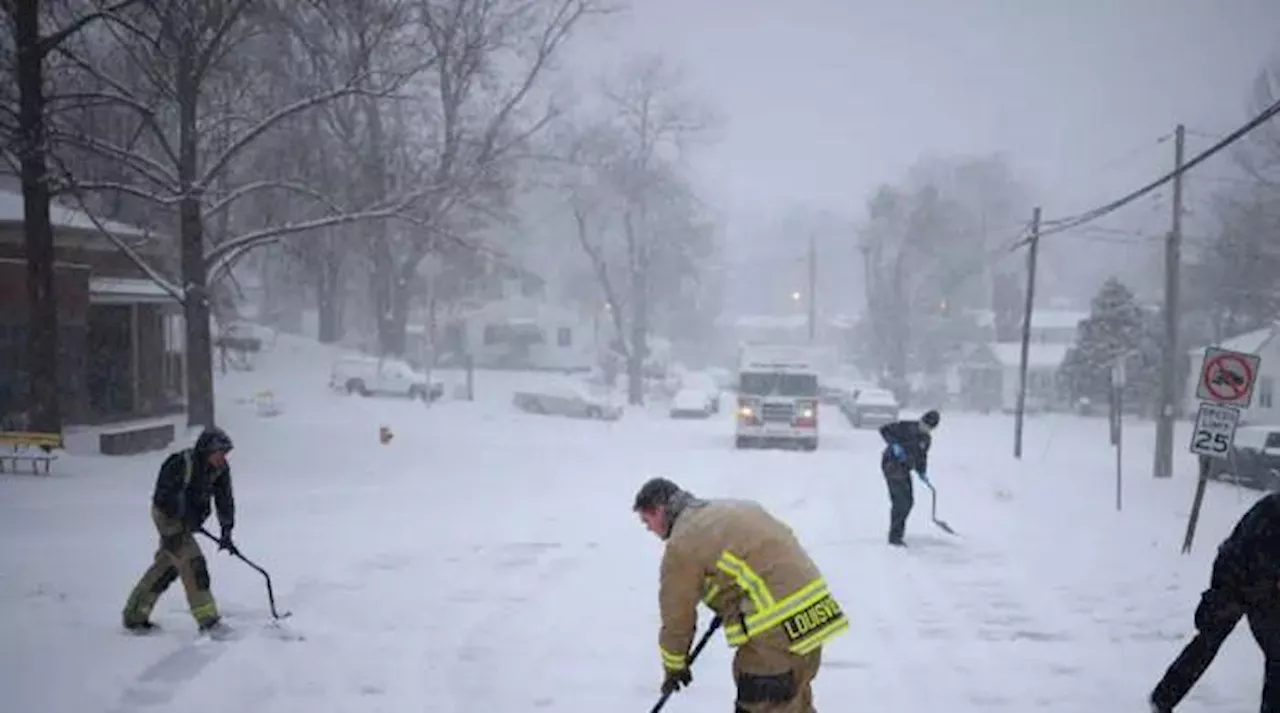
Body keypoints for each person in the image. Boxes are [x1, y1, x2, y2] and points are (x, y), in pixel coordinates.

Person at [633, 477, 848, 713]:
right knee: (793, 703)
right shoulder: (732, 510)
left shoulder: (682, 543)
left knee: (760, 704)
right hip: (815, 616)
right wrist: (728, 601)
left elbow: (677, 616)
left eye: (647, 520)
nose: (648, 529)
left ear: (659, 510)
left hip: (775, 630)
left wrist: (674, 665)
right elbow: (756, 562)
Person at [1150, 491, 1280, 712]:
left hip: (1254, 579)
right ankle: (1163, 699)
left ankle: (1163, 698)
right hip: (1236, 577)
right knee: (1211, 638)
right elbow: (1257, 555)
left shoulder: (1271, 507)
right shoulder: (1271, 514)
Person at [122, 426, 238, 634]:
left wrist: (226, 531)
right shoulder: (179, 464)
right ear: (206, 450)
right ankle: (208, 621)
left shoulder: (220, 469)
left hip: (188, 521)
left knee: (167, 567)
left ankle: (134, 614)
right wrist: (183, 514)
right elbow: (163, 497)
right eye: (219, 453)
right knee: (193, 563)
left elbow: (224, 500)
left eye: (225, 454)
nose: (223, 458)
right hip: (167, 518)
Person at [878, 409, 939, 546]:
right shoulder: (906, 426)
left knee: (909, 502)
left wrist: (922, 471)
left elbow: (922, 457)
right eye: (925, 424)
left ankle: (897, 533)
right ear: (921, 420)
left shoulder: (926, 439)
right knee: (901, 501)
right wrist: (894, 445)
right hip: (891, 465)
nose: (926, 429)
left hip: (905, 468)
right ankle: (895, 537)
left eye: (929, 428)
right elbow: (884, 430)